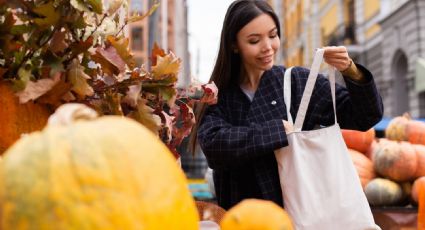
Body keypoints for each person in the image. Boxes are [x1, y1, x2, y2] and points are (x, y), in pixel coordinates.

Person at [190, 0, 383, 210]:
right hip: (243, 216)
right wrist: (278, 131)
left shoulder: (297, 82)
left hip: (302, 214)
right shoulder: (217, 94)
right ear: (234, 44)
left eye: (273, 35)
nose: (268, 47)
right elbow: (214, 145)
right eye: (254, 40)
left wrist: (351, 70)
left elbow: (366, 117)